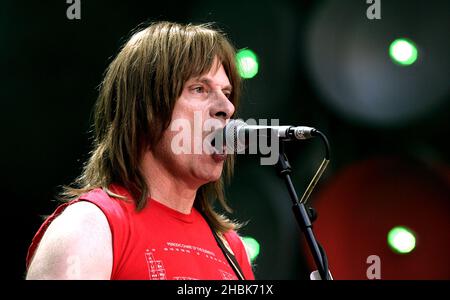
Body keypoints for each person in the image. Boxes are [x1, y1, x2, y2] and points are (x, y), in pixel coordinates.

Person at [25, 21, 255, 280]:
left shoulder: (231, 248)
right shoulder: (89, 226)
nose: (227, 107)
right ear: (146, 110)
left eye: (226, 92)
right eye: (199, 89)